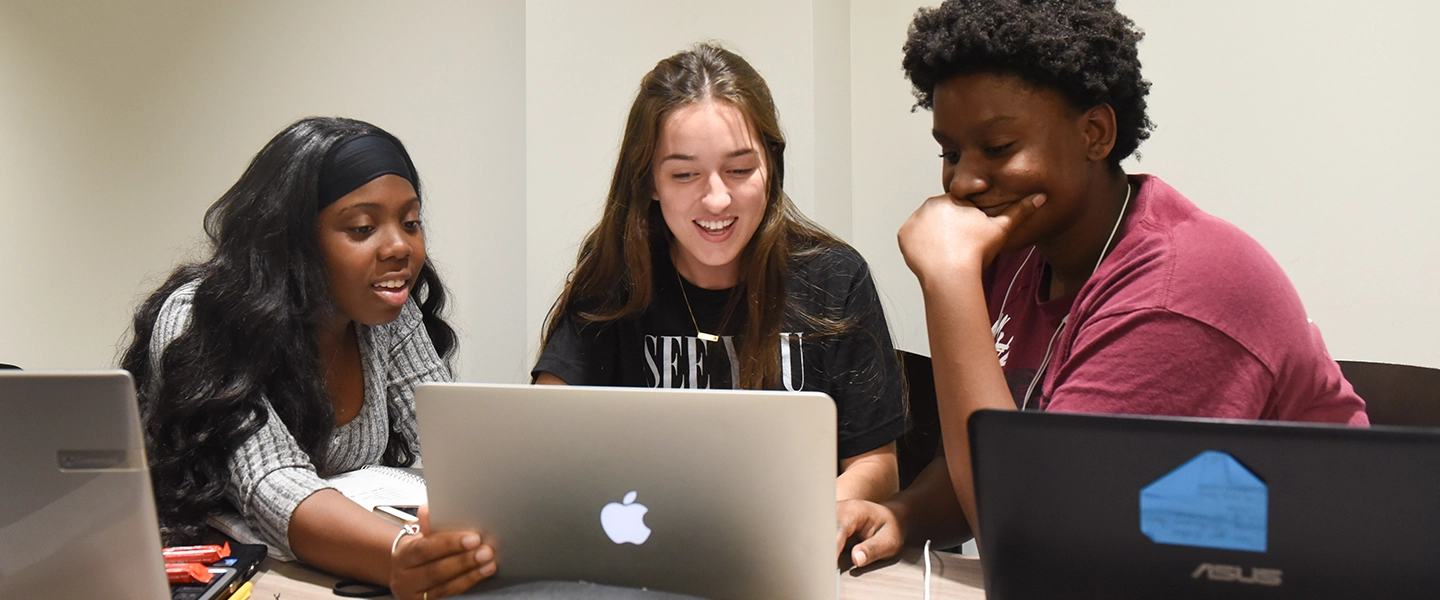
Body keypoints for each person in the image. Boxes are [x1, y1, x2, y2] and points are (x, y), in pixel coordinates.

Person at [837, 0, 1369, 567]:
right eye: (950, 152)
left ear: (1095, 131)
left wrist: (947, 280)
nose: (963, 182)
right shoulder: (1017, 252)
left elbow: (1036, 538)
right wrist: (903, 515)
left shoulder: (1177, 292)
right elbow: (982, 456)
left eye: (997, 148)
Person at [120, 117, 493, 600]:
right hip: (222, 575)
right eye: (362, 227)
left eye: (411, 223)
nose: (400, 247)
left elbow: (452, 444)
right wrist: (400, 555)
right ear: (290, 240)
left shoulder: (385, 308)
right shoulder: (202, 315)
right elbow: (275, 482)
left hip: (329, 567)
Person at [532, 44, 908, 504]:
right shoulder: (618, 273)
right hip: (645, 547)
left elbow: (875, 465)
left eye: (739, 169)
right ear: (649, 181)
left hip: (791, 552)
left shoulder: (832, 277)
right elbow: (542, 440)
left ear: (771, 164)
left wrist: (796, 524)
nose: (716, 200)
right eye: (685, 175)